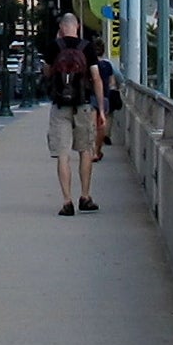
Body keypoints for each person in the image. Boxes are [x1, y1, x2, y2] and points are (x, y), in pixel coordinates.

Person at [44, 34, 100, 215]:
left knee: (63, 154)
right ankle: (85, 196)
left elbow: (46, 72)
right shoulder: (87, 46)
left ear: (60, 29)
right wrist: (100, 108)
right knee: (86, 151)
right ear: (77, 27)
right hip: (83, 105)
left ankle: (67, 201)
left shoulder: (53, 46)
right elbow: (96, 78)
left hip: (60, 106)